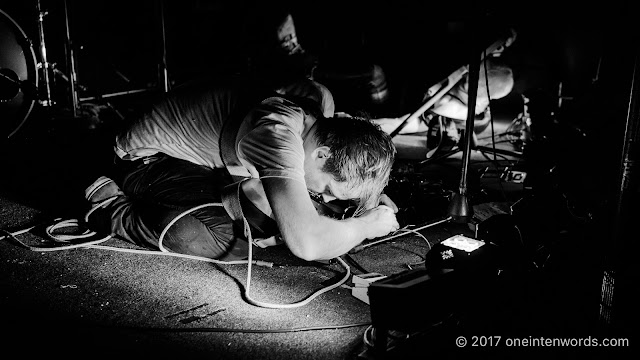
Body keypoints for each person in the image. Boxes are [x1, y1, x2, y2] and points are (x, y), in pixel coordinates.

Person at [83, 75, 399, 262]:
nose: (326, 197)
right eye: (329, 189)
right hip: (145, 158)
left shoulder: (321, 103)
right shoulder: (277, 135)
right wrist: (366, 226)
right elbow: (307, 243)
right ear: (321, 154)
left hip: (205, 157)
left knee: (271, 212)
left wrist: (366, 201)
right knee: (216, 238)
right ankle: (108, 204)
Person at [372, 58, 515, 151]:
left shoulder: (459, 109)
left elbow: (405, 123)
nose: (467, 76)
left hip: (408, 108)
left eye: (472, 78)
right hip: (416, 88)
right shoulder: (463, 80)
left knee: (375, 74)